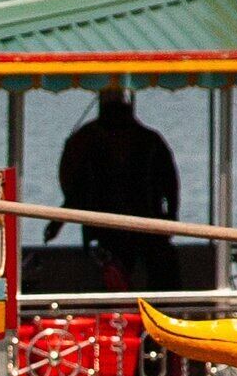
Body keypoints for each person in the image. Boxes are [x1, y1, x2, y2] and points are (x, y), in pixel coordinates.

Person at [55, 90, 182, 290]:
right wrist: (59, 220)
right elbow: (76, 186)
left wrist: (171, 217)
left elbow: (169, 181)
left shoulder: (149, 141)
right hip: (107, 226)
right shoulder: (87, 141)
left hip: (146, 220)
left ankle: (164, 310)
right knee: (112, 272)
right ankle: (117, 314)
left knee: (162, 267)